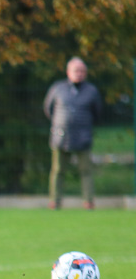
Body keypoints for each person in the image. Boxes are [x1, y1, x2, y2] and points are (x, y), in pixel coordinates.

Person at [43, 57, 103, 210]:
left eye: (82, 71)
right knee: (57, 170)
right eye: (76, 70)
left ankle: (88, 202)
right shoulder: (58, 88)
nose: (80, 74)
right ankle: (55, 201)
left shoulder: (91, 91)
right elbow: (48, 109)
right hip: (60, 136)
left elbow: (97, 112)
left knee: (86, 171)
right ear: (68, 72)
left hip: (83, 137)